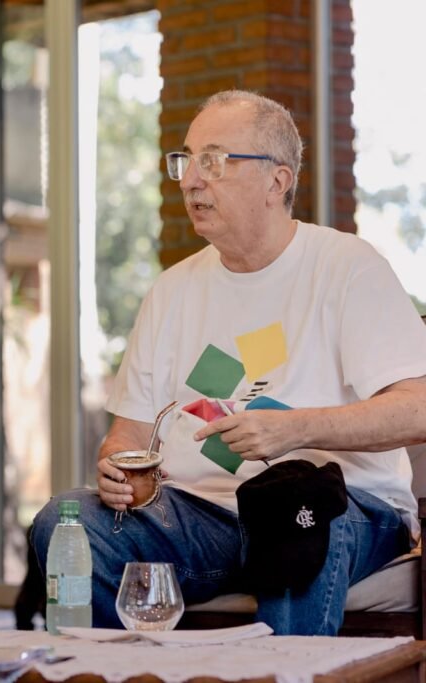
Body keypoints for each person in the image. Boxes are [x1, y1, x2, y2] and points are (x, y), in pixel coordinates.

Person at [31, 89, 426, 635]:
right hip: (202, 515)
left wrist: (295, 429)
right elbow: (129, 433)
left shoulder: (347, 268)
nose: (191, 179)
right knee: (65, 520)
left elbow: (417, 409)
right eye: (186, 160)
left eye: (214, 161)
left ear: (277, 181)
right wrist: (117, 468)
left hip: (338, 507)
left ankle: (286, 672)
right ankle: (127, 671)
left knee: (292, 508)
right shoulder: (172, 291)